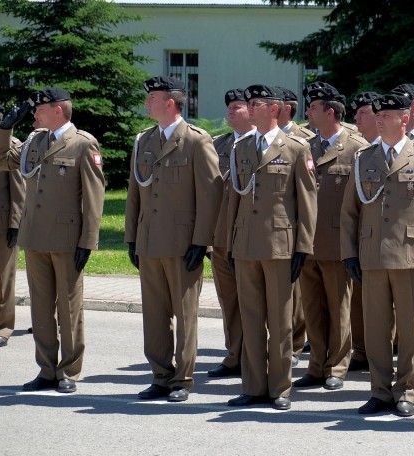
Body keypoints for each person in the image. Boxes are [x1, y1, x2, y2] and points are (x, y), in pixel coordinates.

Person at [340, 92, 414, 418]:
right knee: (375, 328)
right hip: (372, 255)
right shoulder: (364, 158)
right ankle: (379, 391)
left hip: (410, 256)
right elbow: (349, 211)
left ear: (404, 119)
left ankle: (406, 391)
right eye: (377, 114)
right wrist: (349, 253)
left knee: (410, 328)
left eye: (386, 115)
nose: (379, 119)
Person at [0, 88, 105, 393]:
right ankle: (46, 369)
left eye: (39, 109)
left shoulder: (83, 144)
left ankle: (69, 370)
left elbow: (94, 197)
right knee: (41, 309)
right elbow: (2, 159)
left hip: (67, 239)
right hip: (35, 237)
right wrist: (5, 129)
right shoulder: (35, 141)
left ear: (57, 110)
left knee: (69, 308)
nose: (34, 114)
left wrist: (88, 241)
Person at [126, 76, 222, 402]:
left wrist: (202, 241)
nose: (146, 103)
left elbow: (210, 194)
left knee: (184, 313)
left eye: (152, 97)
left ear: (170, 102)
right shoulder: (144, 141)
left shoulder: (196, 140)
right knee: (154, 314)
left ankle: (183, 378)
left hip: (183, 243)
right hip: (149, 239)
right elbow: (134, 195)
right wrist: (131, 237)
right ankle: (160, 375)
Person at [225, 84, 317, 410]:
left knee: (279, 322)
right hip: (246, 244)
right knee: (250, 318)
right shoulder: (241, 147)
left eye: (258, 103)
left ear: (274, 109)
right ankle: (253, 386)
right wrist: (229, 245)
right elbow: (232, 201)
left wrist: (303, 248)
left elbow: (307, 202)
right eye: (249, 103)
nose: (250, 107)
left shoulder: (295, 148)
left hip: (280, 245)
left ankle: (279, 388)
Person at [294, 82, 368, 391]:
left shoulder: (357, 148)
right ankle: (316, 365)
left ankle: (337, 366)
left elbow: (363, 202)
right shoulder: (304, 146)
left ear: (331, 111)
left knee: (339, 308)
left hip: (338, 243)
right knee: (312, 308)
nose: (307, 111)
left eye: (313, 107)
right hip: (307, 242)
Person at [207, 88, 255, 379]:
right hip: (222, 237)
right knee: (229, 300)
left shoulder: (263, 144)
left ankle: (260, 355)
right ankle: (235, 354)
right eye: (229, 107)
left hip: (251, 237)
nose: (230, 111)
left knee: (255, 301)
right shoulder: (217, 145)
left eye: (237, 106)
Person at [275, 85, 315, 365]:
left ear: (285, 108)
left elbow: (306, 195)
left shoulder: (304, 140)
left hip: (294, 230)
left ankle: (296, 344)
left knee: (298, 296)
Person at [346, 91, 382, 374]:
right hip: (363, 241)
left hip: (398, 247)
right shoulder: (360, 154)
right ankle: (361, 350)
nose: (356, 117)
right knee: (359, 303)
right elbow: (350, 208)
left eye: (363, 113)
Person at [0, 107, 24, 349]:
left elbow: (18, 189)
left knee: (4, 279)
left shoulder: (11, 145)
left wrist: (15, 224)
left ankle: (4, 327)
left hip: (2, 222)